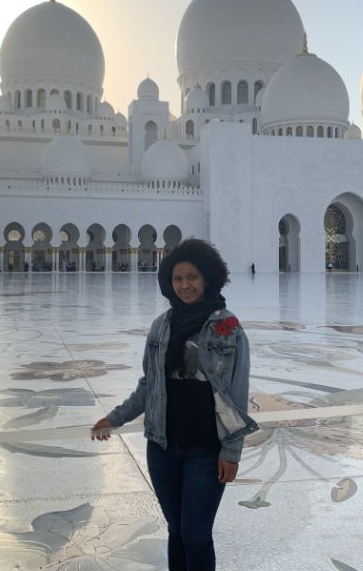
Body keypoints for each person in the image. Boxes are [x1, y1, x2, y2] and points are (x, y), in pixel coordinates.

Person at [91, 238, 256, 569]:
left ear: (207, 278)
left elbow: (236, 394)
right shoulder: (162, 325)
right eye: (178, 279)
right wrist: (115, 418)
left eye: (192, 277)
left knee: (196, 534)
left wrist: (231, 452)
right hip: (163, 446)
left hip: (206, 449)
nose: (185, 285)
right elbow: (149, 384)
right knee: (177, 532)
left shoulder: (227, 327)